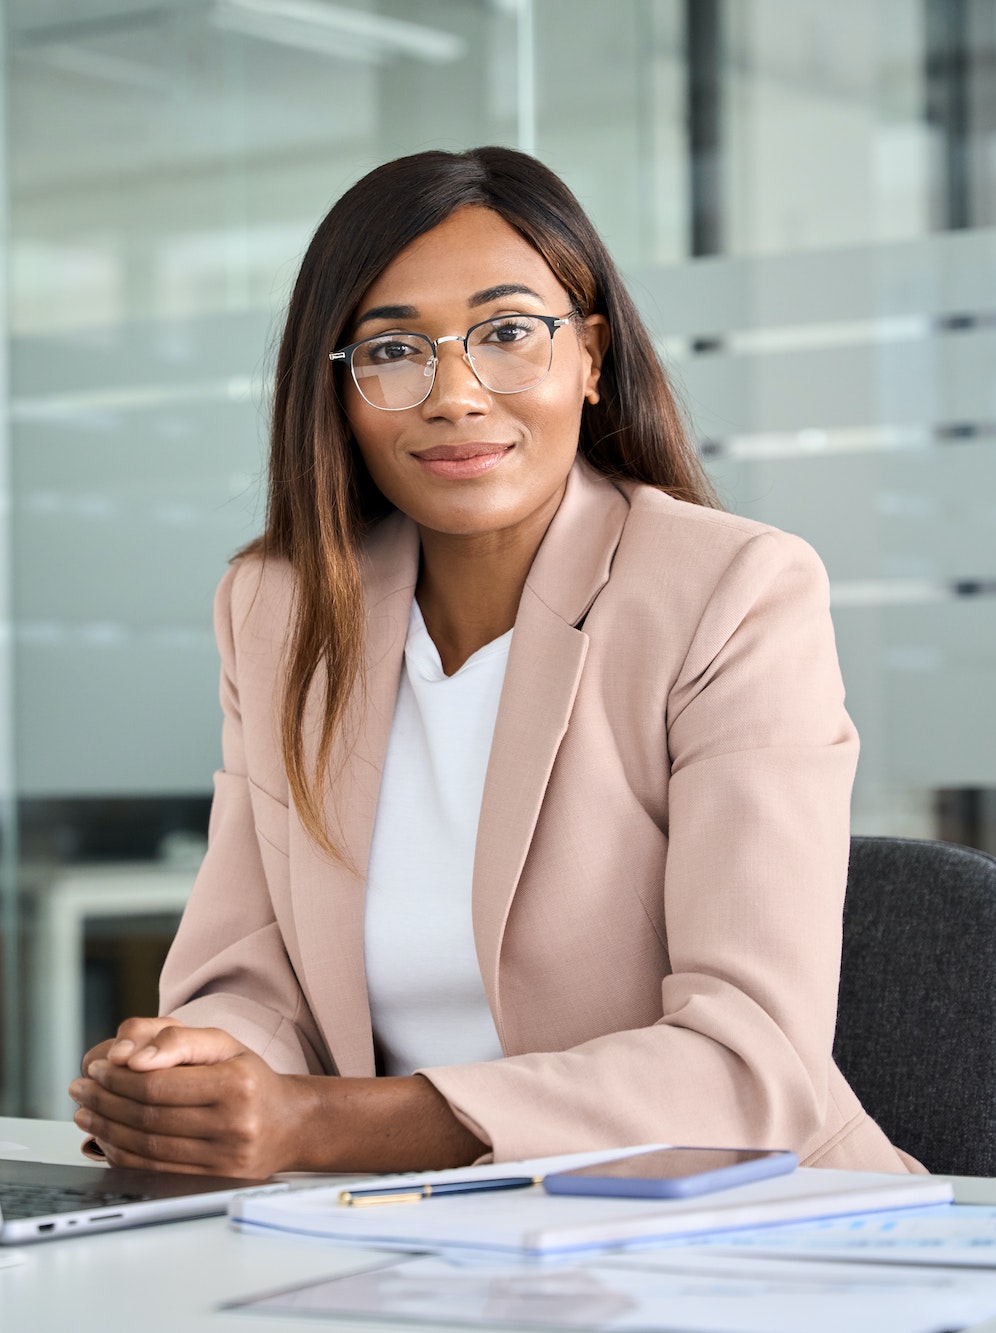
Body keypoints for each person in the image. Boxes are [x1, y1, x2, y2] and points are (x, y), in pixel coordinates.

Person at [67, 146, 920, 1179]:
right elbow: (247, 982)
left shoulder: (730, 592)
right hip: (405, 1237)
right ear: (337, 393)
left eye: (508, 333)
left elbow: (749, 1066)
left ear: (590, 354)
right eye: (391, 350)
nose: (454, 395)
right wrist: (198, 1070)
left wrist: (313, 1123)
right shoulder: (279, 606)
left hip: (727, 1232)